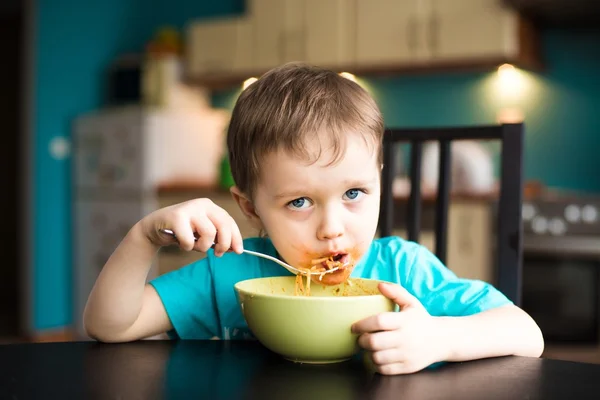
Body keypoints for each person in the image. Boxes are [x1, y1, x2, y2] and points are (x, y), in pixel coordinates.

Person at [83, 62, 544, 375]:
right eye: (299, 202)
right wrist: (144, 236)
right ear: (250, 208)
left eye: (354, 193)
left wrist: (441, 340)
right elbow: (111, 326)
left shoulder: (403, 271)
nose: (332, 227)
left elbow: (527, 333)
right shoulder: (230, 275)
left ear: (380, 183)